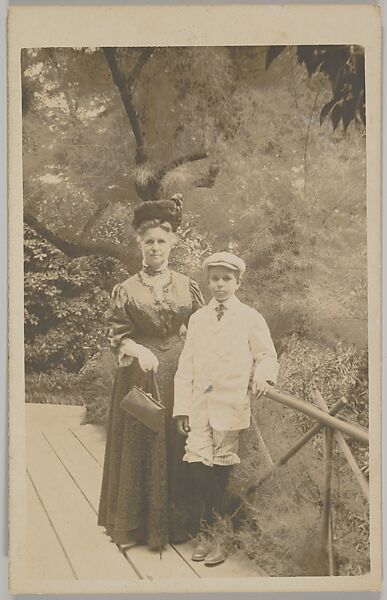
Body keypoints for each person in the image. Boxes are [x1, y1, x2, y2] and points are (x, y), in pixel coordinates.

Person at [98, 194, 204, 552]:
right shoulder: (125, 290)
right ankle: (135, 527)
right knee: (140, 442)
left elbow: (200, 325)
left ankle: (174, 527)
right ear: (139, 245)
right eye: (149, 242)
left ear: (172, 242)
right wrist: (137, 349)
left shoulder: (187, 285)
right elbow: (116, 336)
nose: (155, 247)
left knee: (176, 443)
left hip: (179, 375)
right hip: (138, 376)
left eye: (162, 240)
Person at [173, 251, 279, 566]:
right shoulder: (198, 318)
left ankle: (220, 535)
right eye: (215, 279)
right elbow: (186, 364)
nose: (220, 285)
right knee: (197, 469)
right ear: (208, 282)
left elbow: (266, 355)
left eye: (226, 279)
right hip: (199, 404)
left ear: (237, 282)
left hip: (230, 404)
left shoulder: (249, 317)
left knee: (220, 473)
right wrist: (181, 409)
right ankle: (207, 531)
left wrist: (263, 377)